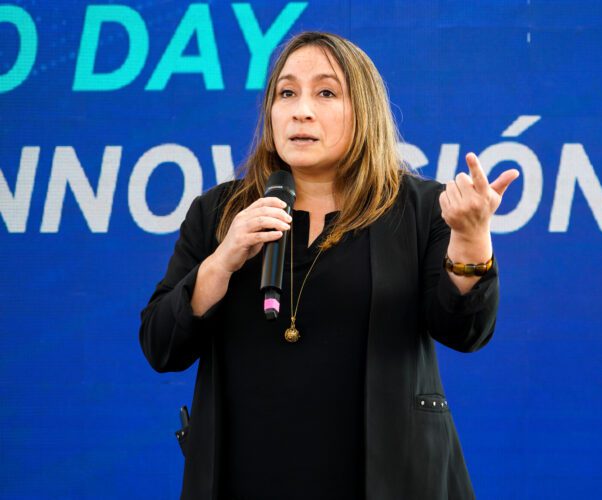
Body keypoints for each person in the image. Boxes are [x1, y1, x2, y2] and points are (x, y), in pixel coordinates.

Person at [139, 31, 518, 499]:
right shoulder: (219, 212)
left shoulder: (420, 209)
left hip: (386, 478)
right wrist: (220, 262)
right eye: (286, 93)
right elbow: (161, 346)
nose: (301, 110)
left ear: (365, 111)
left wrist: (471, 236)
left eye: (325, 93)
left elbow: (465, 330)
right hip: (248, 475)